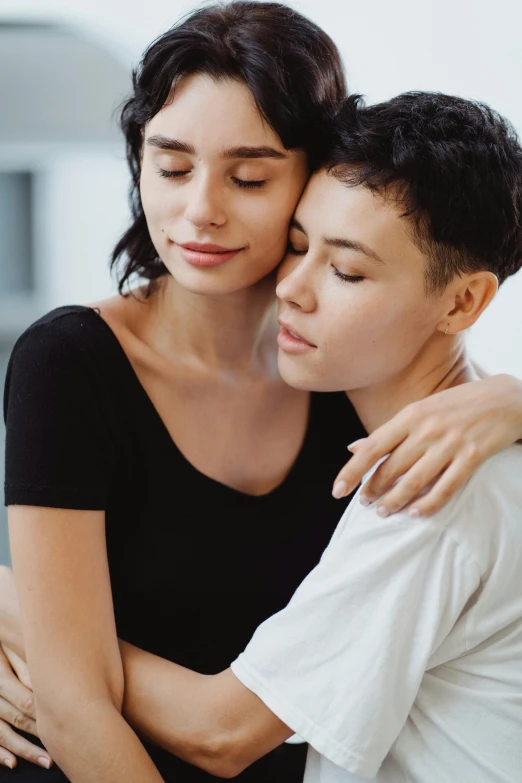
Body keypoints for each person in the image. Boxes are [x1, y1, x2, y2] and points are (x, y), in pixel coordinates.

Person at [1, 3, 522, 779]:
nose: (200, 211)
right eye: (170, 166)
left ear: (315, 173)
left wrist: (507, 398)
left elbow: (226, 727)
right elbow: (74, 707)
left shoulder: (349, 367)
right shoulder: (73, 362)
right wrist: (52, 642)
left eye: (249, 177)